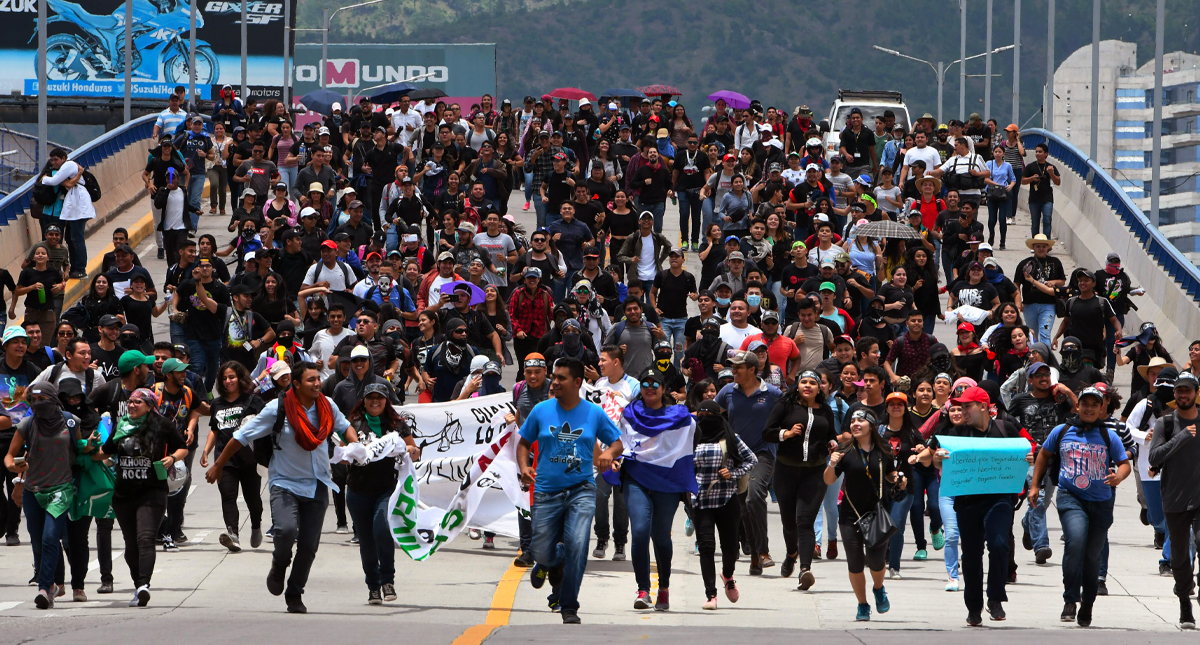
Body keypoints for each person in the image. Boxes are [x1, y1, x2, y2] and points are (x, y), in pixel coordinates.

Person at [206, 362, 354, 614]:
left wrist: (357, 446)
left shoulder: (327, 405)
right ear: (296, 384)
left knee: (308, 546)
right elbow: (241, 436)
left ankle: (295, 592)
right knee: (285, 531)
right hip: (284, 483)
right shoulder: (277, 408)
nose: (317, 383)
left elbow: (345, 427)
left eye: (318, 378)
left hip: (318, 484)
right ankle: (279, 564)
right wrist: (218, 464)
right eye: (310, 380)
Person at [517, 357, 624, 624]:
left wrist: (608, 453)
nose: (554, 382)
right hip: (545, 492)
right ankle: (546, 561)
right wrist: (524, 466)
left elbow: (618, 443)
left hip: (581, 490)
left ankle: (568, 605)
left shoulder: (594, 413)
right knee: (541, 551)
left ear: (577, 382)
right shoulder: (541, 410)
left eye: (561, 378)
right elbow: (523, 443)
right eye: (554, 377)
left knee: (578, 545)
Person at [1029, 386, 1130, 626]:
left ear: (1101, 408)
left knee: (1093, 555)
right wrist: (1035, 486)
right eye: (1085, 404)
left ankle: (1088, 603)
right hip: (1070, 497)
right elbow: (1043, 454)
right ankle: (1070, 599)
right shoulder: (1063, 431)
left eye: (1095, 405)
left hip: (1101, 502)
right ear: (1078, 406)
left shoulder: (1109, 436)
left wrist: (1119, 477)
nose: (1089, 408)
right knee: (1075, 542)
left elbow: (1124, 463)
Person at [928, 386, 1024, 625]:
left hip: (999, 499)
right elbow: (937, 463)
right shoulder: (956, 434)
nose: (962, 411)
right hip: (967, 501)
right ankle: (974, 607)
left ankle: (995, 598)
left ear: (983, 406)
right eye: (959, 407)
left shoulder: (1006, 429)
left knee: (1000, 545)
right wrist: (937, 459)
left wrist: (1027, 458)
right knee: (971, 555)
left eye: (967, 406)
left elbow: (1023, 452)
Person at [617, 368, 695, 611]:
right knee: (639, 531)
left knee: (660, 536)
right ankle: (642, 589)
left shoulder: (679, 415)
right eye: (645, 383)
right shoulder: (629, 413)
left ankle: (663, 588)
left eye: (655, 383)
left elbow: (698, 433)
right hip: (636, 478)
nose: (649, 387)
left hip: (667, 483)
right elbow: (619, 440)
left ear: (663, 389)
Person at [343, 383, 419, 605]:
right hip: (358, 491)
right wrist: (349, 453)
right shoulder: (354, 424)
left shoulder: (397, 426)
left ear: (386, 401)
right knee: (366, 541)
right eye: (370, 397)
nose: (375, 401)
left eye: (380, 397)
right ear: (364, 401)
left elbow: (415, 452)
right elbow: (341, 449)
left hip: (387, 490)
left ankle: (387, 579)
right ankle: (373, 586)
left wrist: (410, 450)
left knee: (382, 530)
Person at [764, 370, 839, 590]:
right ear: (797, 385)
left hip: (814, 473)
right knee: (789, 522)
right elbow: (767, 432)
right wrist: (785, 434)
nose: (807, 386)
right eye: (803, 382)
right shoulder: (785, 406)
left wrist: (833, 442)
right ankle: (791, 554)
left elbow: (831, 434)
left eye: (812, 383)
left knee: (805, 522)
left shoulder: (825, 410)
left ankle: (805, 569)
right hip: (786, 471)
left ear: (820, 388)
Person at [826, 408, 901, 621]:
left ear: (871, 425)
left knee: (877, 562)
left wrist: (897, 479)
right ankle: (862, 604)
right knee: (855, 562)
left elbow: (889, 473)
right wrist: (832, 463)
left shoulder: (884, 450)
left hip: (877, 513)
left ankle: (878, 588)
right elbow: (828, 480)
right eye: (852, 421)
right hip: (850, 515)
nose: (855, 424)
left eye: (860, 420)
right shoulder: (845, 451)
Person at [715, 349, 783, 575]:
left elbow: (789, 414)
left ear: (753, 370)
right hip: (736, 457)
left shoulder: (772, 393)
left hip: (763, 453)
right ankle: (754, 553)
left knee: (755, 496)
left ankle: (763, 552)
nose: (733, 371)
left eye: (738, 367)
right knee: (743, 508)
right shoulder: (727, 392)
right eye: (732, 367)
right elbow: (714, 417)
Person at [1147, 370, 1200, 629]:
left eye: (1188, 390)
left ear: (1196, 393)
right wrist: (1181, 437)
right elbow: (1154, 458)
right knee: (1179, 559)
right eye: (1179, 390)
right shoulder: (1165, 424)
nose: (1183, 394)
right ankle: (1185, 605)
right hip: (1175, 499)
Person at [692, 399, 755, 610]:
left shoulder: (730, 438)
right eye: (700, 416)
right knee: (706, 547)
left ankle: (727, 575)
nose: (704, 420)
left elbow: (751, 459)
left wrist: (733, 473)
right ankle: (711, 594)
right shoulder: (692, 439)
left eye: (708, 415)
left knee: (730, 548)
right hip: (701, 502)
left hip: (727, 499)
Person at [201, 362, 266, 553]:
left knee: (252, 497)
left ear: (240, 378)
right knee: (227, 496)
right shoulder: (217, 404)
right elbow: (215, 429)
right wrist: (206, 450)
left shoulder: (253, 401)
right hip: (224, 459)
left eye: (232, 377)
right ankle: (233, 535)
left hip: (249, 459)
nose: (228, 381)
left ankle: (256, 525)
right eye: (224, 378)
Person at [1013, 234, 1065, 346]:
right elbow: (1016, 284)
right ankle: (1032, 358)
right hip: (1029, 304)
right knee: (1031, 334)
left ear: (1047, 247)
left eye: (1043, 246)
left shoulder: (1055, 262)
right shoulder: (1024, 264)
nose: (1041, 249)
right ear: (1033, 247)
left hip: (1049, 304)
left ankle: (1045, 359)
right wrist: (1018, 303)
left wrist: (1054, 282)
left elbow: (1062, 281)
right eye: (1038, 246)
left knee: (1045, 333)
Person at [1022, 143, 1061, 238]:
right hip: (1034, 199)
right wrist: (1032, 178)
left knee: (1047, 220)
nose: (1038, 154)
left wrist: (1051, 173)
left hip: (1047, 198)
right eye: (1036, 151)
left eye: (1040, 152)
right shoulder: (1030, 167)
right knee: (1035, 222)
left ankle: (1046, 243)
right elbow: (1023, 181)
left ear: (1046, 154)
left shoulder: (1050, 167)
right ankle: (1035, 243)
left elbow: (1058, 182)